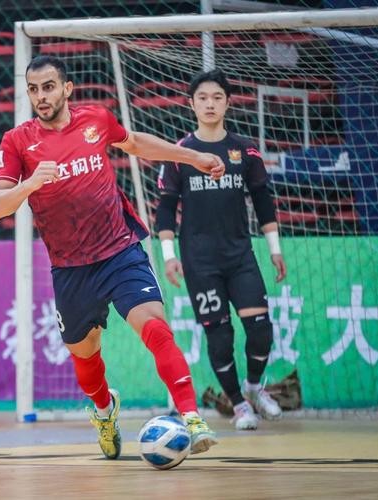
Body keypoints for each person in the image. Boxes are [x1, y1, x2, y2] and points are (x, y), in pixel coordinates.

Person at [0, 55, 224, 459]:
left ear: (67, 89)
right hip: (70, 267)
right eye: (33, 89)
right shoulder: (17, 141)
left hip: (120, 250)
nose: (41, 96)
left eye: (48, 87)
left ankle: (191, 417)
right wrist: (29, 184)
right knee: (85, 352)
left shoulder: (96, 119)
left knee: (155, 326)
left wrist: (191, 156)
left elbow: (133, 142)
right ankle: (103, 410)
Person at [155, 69, 287, 431]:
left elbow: (263, 201)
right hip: (199, 262)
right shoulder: (180, 153)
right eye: (202, 98)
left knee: (260, 330)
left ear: (228, 103)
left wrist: (275, 249)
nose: (210, 104)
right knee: (220, 337)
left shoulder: (245, 150)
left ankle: (254, 387)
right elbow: (165, 208)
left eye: (217, 97)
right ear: (192, 104)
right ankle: (239, 405)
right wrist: (169, 256)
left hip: (240, 256)